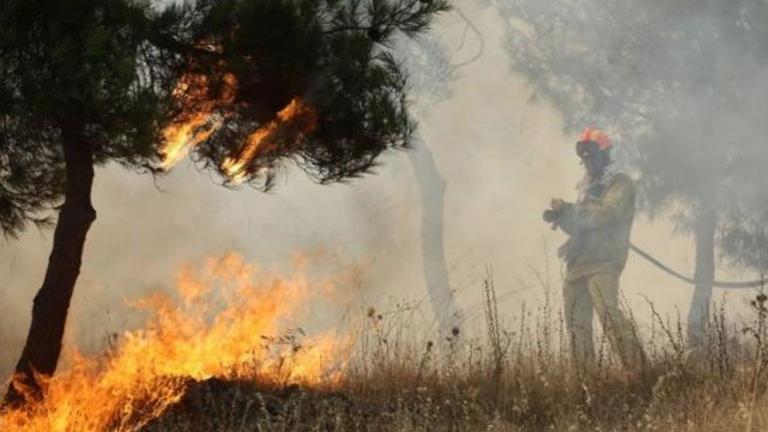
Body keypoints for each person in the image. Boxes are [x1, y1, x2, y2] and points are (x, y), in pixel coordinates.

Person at [543, 127, 644, 367]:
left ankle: (640, 371)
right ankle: (585, 385)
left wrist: (572, 211)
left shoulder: (620, 183)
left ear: (605, 154)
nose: (587, 162)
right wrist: (563, 217)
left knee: (609, 316)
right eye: (584, 158)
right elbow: (581, 224)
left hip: (603, 262)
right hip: (577, 263)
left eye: (592, 156)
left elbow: (609, 214)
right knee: (576, 325)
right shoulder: (585, 186)